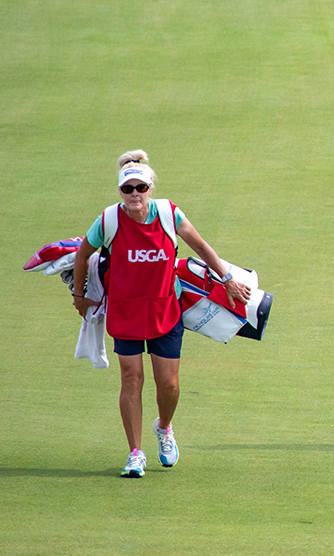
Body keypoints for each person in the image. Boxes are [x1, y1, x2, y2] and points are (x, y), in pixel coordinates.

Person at [72, 150, 251, 477]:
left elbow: (200, 246)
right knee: (131, 379)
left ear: (151, 188)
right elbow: (83, 255)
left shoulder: (169, 214)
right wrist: (79, 295)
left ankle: (164, 427)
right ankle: (135, 453)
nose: (135, 195)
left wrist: (228, 280)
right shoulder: (109, 220)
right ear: (120, 191)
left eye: (141, 188)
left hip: (165, 309)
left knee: (168, 384)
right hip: (125, 313)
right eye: (128, 189)